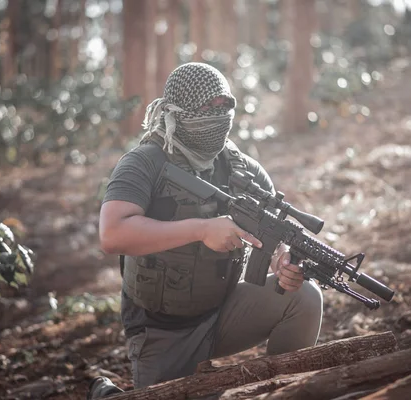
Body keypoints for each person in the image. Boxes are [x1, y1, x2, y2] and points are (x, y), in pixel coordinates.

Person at [88, 62, 323, 399]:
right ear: (177, 111)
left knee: (303, 297)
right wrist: (200, 229)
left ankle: (284, 393)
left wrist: (282, 260)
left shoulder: (241, 168)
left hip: (223, 312)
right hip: (161, 331)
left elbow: (275, 234)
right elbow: (112, 234)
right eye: (207, 106)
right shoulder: (145, 162)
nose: (219, 113)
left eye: (225, 105)